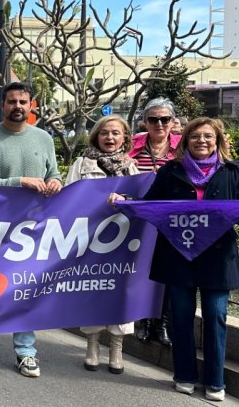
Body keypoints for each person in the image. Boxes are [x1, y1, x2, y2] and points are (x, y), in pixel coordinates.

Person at [109, 117, 239, 402]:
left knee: (216, 316)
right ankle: (185, 375)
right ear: (186, 140)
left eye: (208, 136)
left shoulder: (232, 171)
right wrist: (123, 200)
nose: (201, 141)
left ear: (218, 141)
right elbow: (151, 204)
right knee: (180, 317)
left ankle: (215, 381)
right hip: (178, 255)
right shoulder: (170, 171)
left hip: (218, 258)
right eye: (195, 136)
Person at [0, 81, 61, 379]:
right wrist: (19, 181)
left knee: (25, 290)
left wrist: (55, 183)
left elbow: (53, 174)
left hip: (33, 229)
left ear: (31, 104)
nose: (18, 106)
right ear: (3, 105)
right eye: (12, 101)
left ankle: (26, 352)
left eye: (23, 101)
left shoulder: (44, 138)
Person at [63, 115, 139, 374]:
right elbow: (69, 198)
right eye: (105, 133)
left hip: (123, 240)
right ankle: (92, 344)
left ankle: (117, 347)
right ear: (96, 136)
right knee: (93, 289)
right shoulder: (82, 164)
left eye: (116, 133)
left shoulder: (131, 167)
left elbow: (140, 201)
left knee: (121, 292)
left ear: (125, 137)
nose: (110, 138)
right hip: (91, 239)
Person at [127, 97, 183, 346]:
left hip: (172, 220)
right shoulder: (132, 145)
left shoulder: (184, 146)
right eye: (153, 119)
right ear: (144, 122)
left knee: (169, 273)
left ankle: (163, 324)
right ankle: (144, 321)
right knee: (142, 272)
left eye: (164, 119)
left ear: (173, 122)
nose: (159, 124)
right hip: (139, 219)